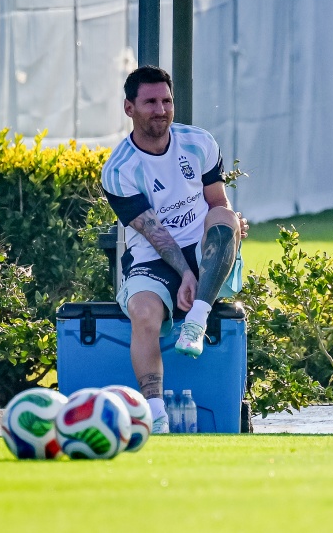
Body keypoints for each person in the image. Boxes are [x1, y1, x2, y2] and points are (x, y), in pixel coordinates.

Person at [101, 65, 248, 434]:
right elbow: (155, 234)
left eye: (166, 101)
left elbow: (218, 203)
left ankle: (197, 320)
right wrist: (185, 274)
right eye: (150, 102)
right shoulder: (119, 170)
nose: (161, 109)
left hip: (205, 251)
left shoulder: (199, 142)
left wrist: (231, 227)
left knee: (225, 217)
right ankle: (156, 416)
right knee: (143, 313)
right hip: (154, 257)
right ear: (129, 108)